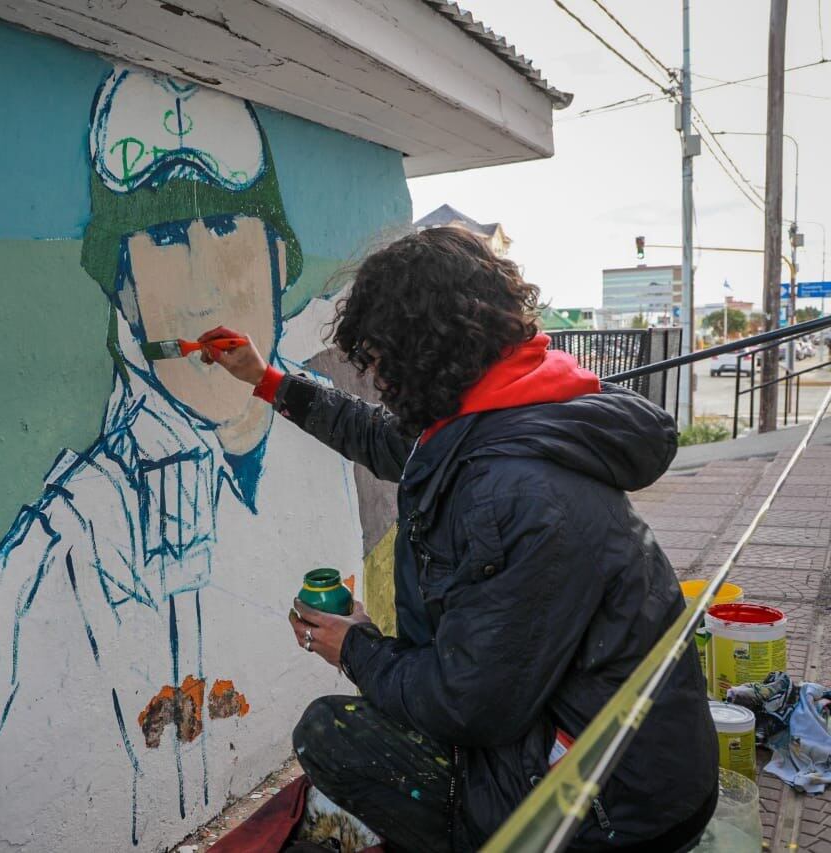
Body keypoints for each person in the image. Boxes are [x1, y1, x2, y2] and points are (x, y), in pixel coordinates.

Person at [202, 225, 719, 852]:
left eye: (384, 360)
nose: (380, 381)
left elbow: (467, 705)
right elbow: (381, 438)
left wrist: (354, 648)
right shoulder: (510, 409)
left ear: (425, 350)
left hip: (611, 808)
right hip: (619, 758)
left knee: (331, 733)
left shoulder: (516, 492)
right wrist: (268, 380)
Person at [0, 65, 363, 851]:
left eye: (226, 229)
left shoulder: (324, 450)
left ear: (280, 265)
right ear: (127, 294)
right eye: (168, 240)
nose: (206, 286)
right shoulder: (56, 570)